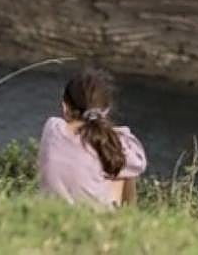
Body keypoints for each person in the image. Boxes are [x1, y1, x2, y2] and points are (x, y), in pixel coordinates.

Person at [38, 68, 147, 207]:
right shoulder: (113, 141)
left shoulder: (52, 127)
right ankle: (129, 219)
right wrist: (116, 134)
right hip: (95, 222)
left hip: (49, 214)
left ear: (65, 107)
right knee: (123, 167)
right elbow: (138, 164)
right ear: (106, 110)